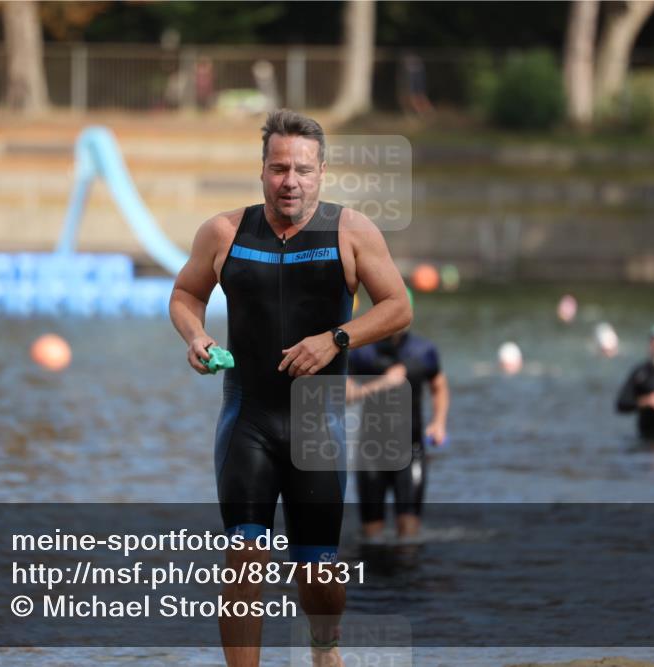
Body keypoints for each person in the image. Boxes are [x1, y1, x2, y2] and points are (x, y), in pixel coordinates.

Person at [169, 109, 411, 667]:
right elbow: (185, 294)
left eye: (302, 169)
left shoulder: (351, 231)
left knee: (317, 570)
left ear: (321, 172)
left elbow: (399, 307)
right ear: (262, 171)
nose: (290, 181)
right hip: (247, 417)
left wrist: (336, 339)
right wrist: (196, 336)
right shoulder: (224, 232)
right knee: (243, 554)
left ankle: (325, 648)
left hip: (315, 422)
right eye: (279, 168)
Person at [346, 291, 449, 539]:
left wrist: (439, 422)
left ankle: (409, 574)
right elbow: (346, 394)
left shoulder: (423, 351)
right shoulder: (363, 353)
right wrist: (383, 384)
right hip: (371, 451)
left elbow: (439, 386)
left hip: (410, 449)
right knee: (372, 535)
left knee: (409, 533)